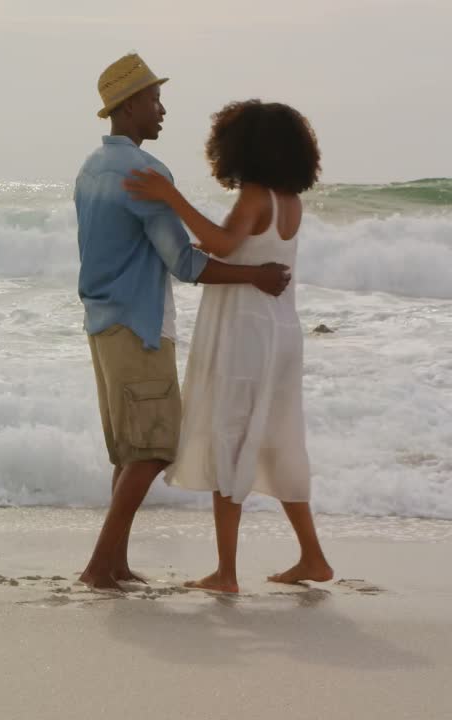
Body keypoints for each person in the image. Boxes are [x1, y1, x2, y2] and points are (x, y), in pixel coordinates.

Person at [74, 54, 291, 591]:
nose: (162, 109)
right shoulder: (146, 173)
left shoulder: (90, 169)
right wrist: (255, 276)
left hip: (101, 323)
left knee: (128, 451)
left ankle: (117, 564)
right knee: (151, 450)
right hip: (141, 325)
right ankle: (101, 566)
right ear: (128, 108)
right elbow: (185, 263)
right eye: (153, 99)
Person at [123, 100, 333, 594]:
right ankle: (313, 557)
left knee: (230, 436)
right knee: (279, 440)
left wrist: (169, 196)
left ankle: (226, 573)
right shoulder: (289, 201)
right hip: (281, 332)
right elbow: (243, 249)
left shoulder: (256, 196)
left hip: (246, 333)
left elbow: (220, 243)